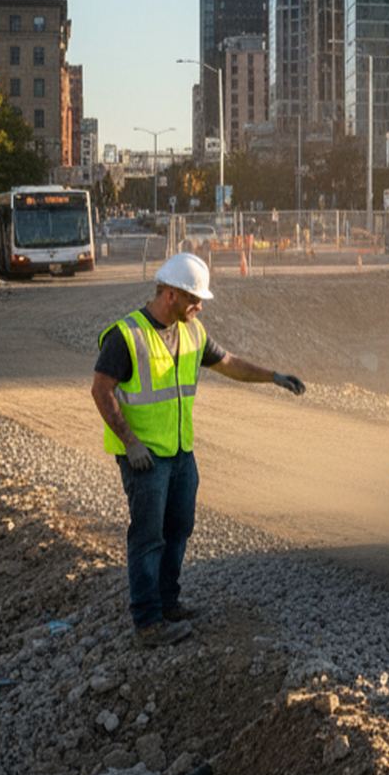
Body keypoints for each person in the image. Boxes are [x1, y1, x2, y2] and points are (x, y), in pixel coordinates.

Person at [90, 253, 306, 647]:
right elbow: (100, 390)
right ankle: (148, 622)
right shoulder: (127, 334)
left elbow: (229, 363)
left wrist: (272, 376)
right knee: (147, 537)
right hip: (145, 459)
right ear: (170, 294)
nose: (199, 306)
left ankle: (168, 602)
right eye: (194, 299)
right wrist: (131, 443)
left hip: (180, 453)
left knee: (179, 529)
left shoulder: (192, 331)